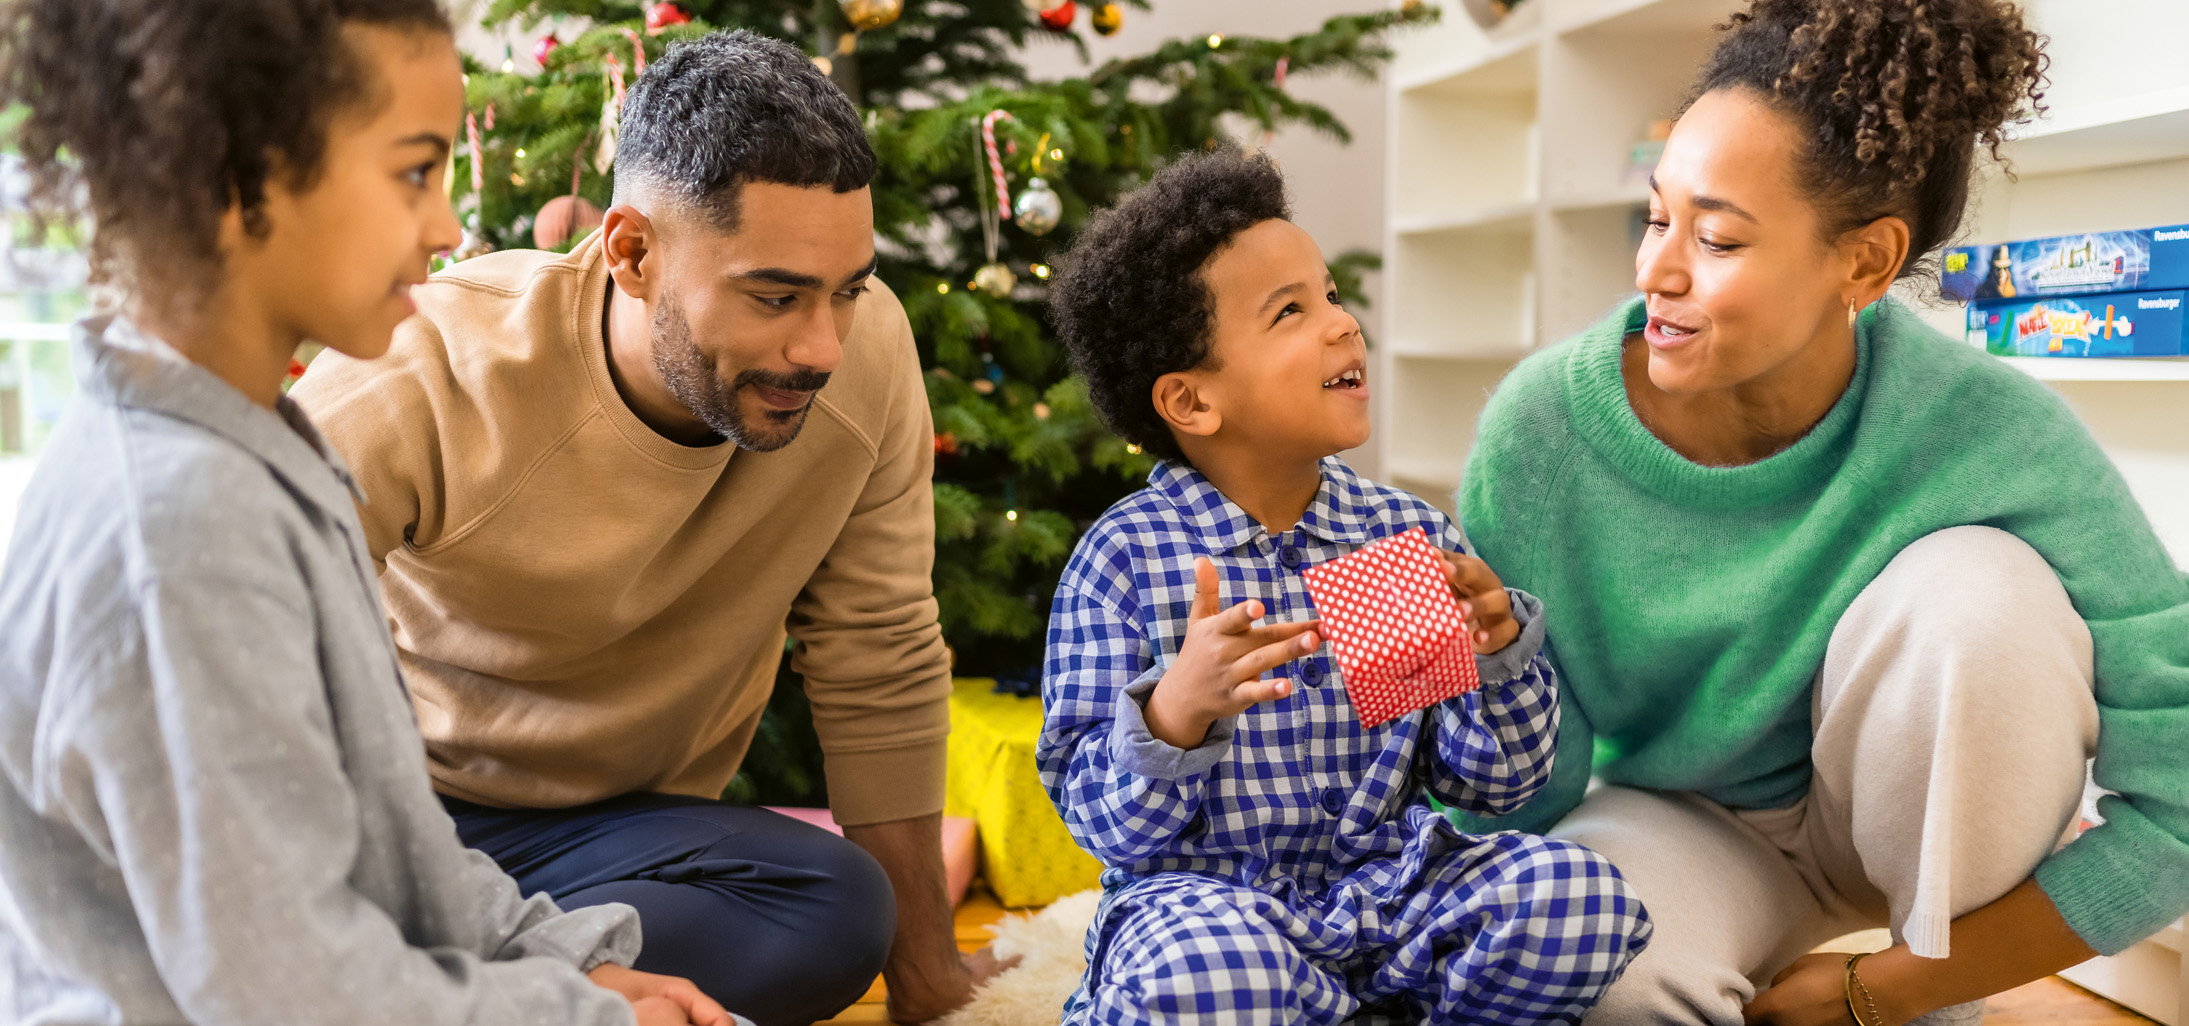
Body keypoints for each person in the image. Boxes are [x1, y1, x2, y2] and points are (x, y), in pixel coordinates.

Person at [0, 2, 739, 1025]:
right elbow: (282, 985)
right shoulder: (177, 529)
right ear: (240, 174)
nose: (444, 226)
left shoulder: (257, 447)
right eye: (412, 172)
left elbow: (384, 836)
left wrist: (567, 967)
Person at [1455, 1, 2189, 1024]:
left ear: (1864, 263)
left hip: (1914, 855)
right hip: (1675, 822)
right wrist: (1483, 681)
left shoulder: (1990, 431)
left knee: (1981, 596)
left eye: (1713, 238)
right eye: (1655, 215)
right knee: (1581, 965)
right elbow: (1515, 806)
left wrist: (1887, 988)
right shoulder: (1538, 433)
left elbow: (2180, 795)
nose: (1653, 272)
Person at [288, 29, 982, 1026]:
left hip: (623, 836)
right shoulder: (421, 370)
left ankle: (435, 992)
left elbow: (878, 649)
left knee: (835, 910)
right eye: (775, 295)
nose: (821, 344)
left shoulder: (862, 358)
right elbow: (247, 679)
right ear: (632, 252)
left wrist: (929, 978)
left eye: (848, 289)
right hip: (403, 814)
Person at [1036, 150, 1652, 1026]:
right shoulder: (1127, 560)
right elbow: (1106, 827)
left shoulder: (1391, 540)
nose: (1343, 324)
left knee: (1576, 899)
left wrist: (1497, 662)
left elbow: (1489, 787)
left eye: (1329, 294)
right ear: (1190, 401)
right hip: (1214, 905)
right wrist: (1174, 713)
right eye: (1291, 311)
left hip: (1390, 894)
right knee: (1208, 977)